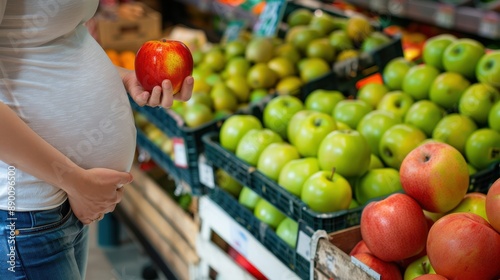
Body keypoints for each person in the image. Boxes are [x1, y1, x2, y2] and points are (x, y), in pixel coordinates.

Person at [0, 1, 193, 279]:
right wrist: (75, 182)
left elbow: (58, 40)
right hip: (28, 210)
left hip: (64, 204)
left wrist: (126, 77)